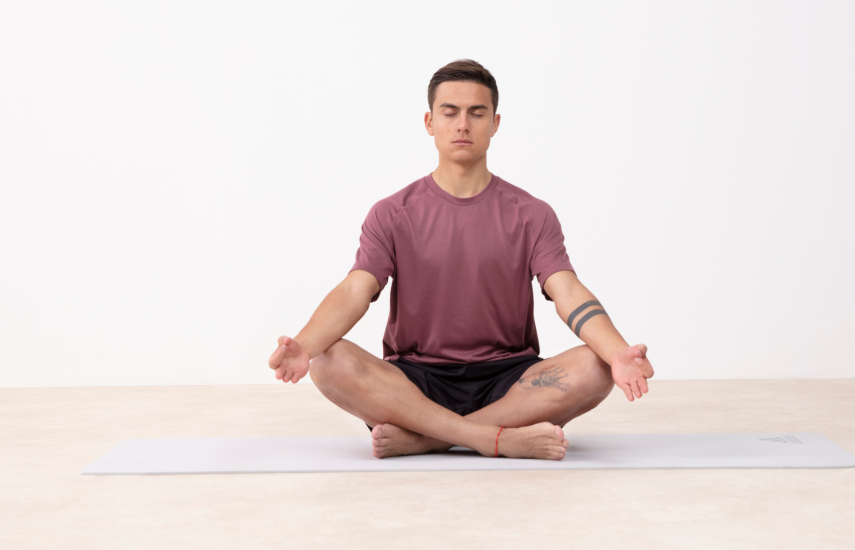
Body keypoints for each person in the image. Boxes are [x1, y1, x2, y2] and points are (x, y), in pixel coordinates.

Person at [267, 59, 654, 460]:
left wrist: (618, 353)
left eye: (477, 113)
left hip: (509, 380)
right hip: (415, 382)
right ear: (429, 122)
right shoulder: (392, 212)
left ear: (495, 123)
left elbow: (567, 290)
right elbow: (354, 289)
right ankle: (493, 438)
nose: (463, 125)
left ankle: (429, 439)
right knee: (327, 360)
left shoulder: (532, 213)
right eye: (449, 112)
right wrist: (306, 345)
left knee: (595, 367)